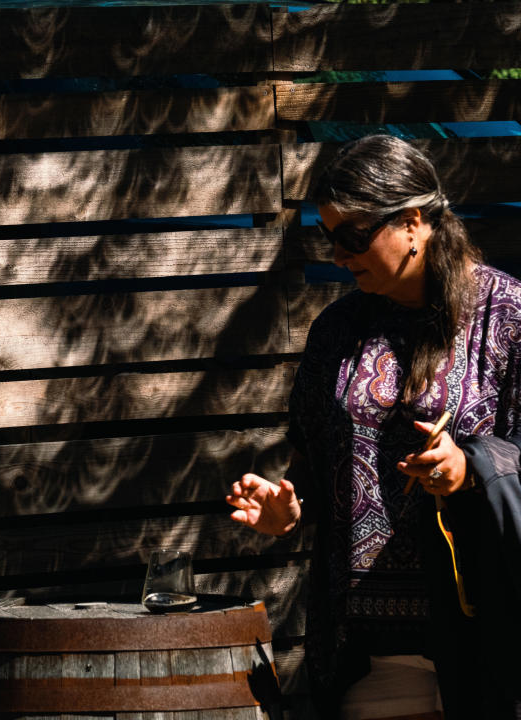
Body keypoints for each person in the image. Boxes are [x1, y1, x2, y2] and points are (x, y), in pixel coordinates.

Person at [225, 135, 521, 719]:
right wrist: (289, 506)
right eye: (328, 236)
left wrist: (470, 467)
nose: (337, 254)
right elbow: (313, 459)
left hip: (491, 628)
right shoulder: (336, 331)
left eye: (352, 237)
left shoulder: (509, 318)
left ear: (413, 222)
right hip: (372, 646)